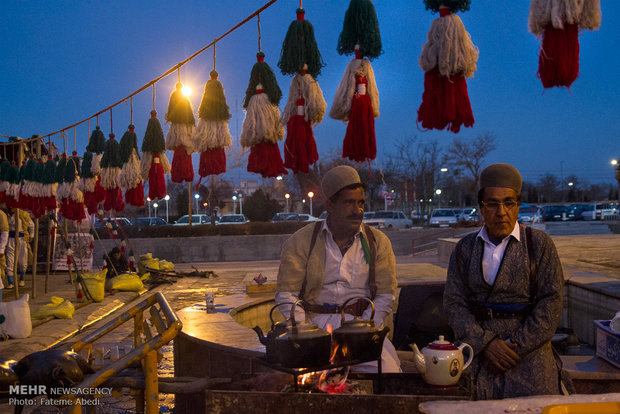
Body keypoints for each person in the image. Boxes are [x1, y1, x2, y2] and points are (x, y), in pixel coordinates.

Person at [443, 163, 566, 399]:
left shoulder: (539, 245)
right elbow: (454, 303)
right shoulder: (465, 249)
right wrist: (485, 344)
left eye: (509, 202)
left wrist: (514, 346)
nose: (501, 212)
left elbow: (551, 302)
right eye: (492, 203)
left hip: (530, 350)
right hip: (478, 350)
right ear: (481, 207)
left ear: (518, 205)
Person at [276, 165, 401, 373]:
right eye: (349, 202)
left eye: (361, 203)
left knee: (387, 373)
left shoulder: (378, 242)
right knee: (304, 378)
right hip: (314, 328)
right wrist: (304, 330)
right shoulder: (301, 241)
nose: (357, 210)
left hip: (360, 327)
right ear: (330, 205)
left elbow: (386, 295)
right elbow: (286, 293)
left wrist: (365, 329)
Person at [4, 204, 34, 289]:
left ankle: (22, 279)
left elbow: (32, 225)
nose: (10, 207)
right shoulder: (4, 215)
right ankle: (10, 282)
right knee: (10, 262)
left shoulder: (23, 214)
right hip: (9, 240)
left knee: (22, 261)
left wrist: (30, 237)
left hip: (22, 240)